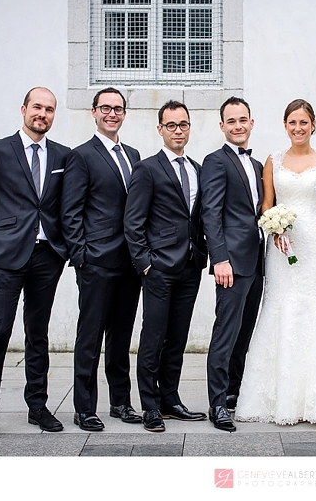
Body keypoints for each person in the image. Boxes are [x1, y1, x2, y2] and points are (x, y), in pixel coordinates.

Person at [235, 99, 316, 426]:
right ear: (285, 126)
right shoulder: (273, 161)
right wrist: (274, 228)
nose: (298, 128)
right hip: (282, 247)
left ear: (313, 125)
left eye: (303, 122)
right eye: (292, 123)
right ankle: (276, 397)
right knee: (281, 307)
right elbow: (268, 204)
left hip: (315, 244)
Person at [0, 87, 70, 444]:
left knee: (37, 334)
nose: (43, 114)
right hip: (5, 256)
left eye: (49, 109)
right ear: (23, 110)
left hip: (47, 256)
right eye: (37, 107)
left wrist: (64, 249)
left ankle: (37, 406)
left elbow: (64, 207)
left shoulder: (62, 155)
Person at [61, 87, 143, 431]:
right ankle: (85, 408)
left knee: (121, 338)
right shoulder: (82, 156)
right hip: (96, 262)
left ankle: (120, 403)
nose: (112, 113)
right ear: (94, 112)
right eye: (105, 108)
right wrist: (81, 256)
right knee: (90, 337)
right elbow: (70, 211)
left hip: (130, 263)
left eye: (118, 108)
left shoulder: (135, 154)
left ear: (124, 113)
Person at [124, 100, 208, 433]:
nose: (177, 131)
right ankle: (149, 406)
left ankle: (170, 399)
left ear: (189, 127)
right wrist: (144, 263)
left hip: (190, 266)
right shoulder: (147, 169)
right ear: (160, 129)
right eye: (171, 125)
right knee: (153, 336)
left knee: (177, 337)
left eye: (183, 124)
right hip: (158, 267)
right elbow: (133, 221)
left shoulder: (197, 168)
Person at [200, 96, 265, 432]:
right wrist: (220, 259)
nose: (238, 126)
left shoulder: (256, 167)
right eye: (232, 121)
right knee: (225, 331)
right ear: (222, 126)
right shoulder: (215, 161)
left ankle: (234, 394)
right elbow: (210, 213)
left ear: (251, 123)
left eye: (244, 119)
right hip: (231, 263)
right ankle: (217, 402)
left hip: (257, 262)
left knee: (244, 332)